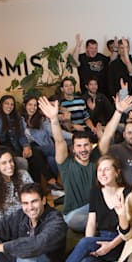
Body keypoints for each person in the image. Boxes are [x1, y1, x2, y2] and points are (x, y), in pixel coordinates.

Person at [28, 156, 128, 262]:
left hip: (120, 242)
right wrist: (90, 244)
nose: (102, 173)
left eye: (107, 169)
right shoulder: (95, 192)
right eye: (99, 170)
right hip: (101, 238)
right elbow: (91, 223)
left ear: (117, 172)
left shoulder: (128, 193)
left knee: (84, 244)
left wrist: (109, 245)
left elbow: (131, 229)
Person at [39, 96, 98, 232]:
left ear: (91, 146)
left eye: (86, 145)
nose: (83, 149)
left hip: (95, 208)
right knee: (74, 220)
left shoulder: (95, 159)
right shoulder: (66, 164)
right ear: (73, 149)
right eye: (79, 146)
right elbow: (60, 142)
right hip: (74, 214)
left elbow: (106, 138)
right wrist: (54, 119)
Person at [0, 94, 54, 187]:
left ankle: (38, 187)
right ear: (1, 104)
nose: (9, 106)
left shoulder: (16, 118)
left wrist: (26, 146)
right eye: (6, 103)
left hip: (18, 148)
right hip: (6, 152)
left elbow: (22, 136)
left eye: (12, 104)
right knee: (35, 155)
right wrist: (1, 119)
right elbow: (0, 137)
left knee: (35, 155)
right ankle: (50, 181)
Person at [0, 146, 33, 221]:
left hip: (30, 216)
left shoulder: (23, 175)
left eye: (11, 161)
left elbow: (34, 198)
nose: (9, 165)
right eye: (4, 163)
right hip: (10, 223)